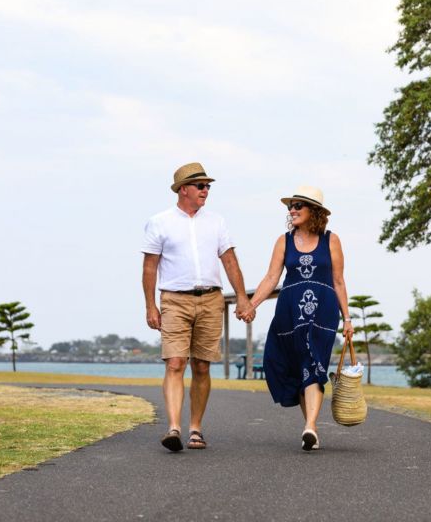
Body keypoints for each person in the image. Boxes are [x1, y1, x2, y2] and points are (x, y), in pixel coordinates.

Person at [142, 162, 253, 452]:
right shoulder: (159, 222)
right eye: (201, 186)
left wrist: (242, 297)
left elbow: (229, 260)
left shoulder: (216, 221)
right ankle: (174, 427)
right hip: (174, 299)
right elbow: (149, 267)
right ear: (183, 189)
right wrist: (150, 306)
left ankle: (195, 429)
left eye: (208, 186)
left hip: (211, 299)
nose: (206, 191)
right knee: (176, 362)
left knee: (202, 366)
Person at [238, 186, 354, 451]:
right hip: (289, 312)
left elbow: (338, 280)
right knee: (298, 364)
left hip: (322, 312)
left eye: (297, 205)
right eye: (290, 206)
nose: (292, 210)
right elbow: (271, 278)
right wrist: (251, 305)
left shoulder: (331, 240)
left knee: (313, 361)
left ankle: (310, 427)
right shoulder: (284, 240)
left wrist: (347, 318)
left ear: (314, 210)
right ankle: (309, 428)